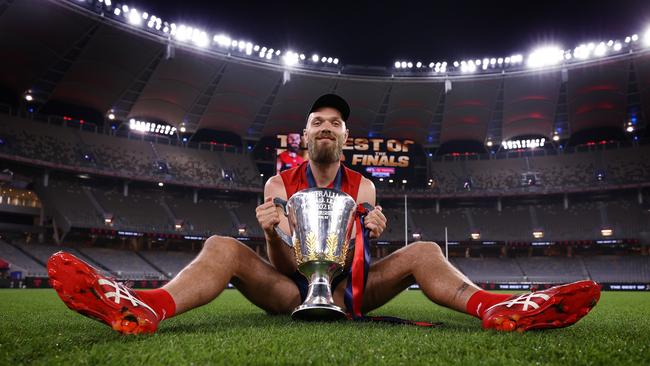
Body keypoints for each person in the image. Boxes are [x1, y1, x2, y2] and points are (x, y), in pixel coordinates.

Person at [47, 94, 600, 334]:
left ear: (346, 136)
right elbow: (286, 262)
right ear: (304, 134)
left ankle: (497, 307)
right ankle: (143, 306)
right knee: (220, 244)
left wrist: (377, 232)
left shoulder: (365, 187)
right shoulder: (277, 183)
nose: (327, 128)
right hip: (293, 287)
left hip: (349, 288)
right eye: (318, 122)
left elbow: (356, 260)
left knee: (426, 251)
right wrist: (268, 235)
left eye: (335, 122)